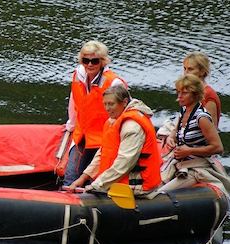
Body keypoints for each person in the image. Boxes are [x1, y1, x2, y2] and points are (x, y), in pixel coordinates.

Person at [67, 85, 161, 194]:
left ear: (125, 102)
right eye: (105, 104)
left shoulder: (132, 126)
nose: (107, 108)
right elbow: (103, 152)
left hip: (137, 187)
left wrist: (98, 185)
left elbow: (124, 162)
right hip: (115, 183)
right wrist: (84, 177)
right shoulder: (114, 120)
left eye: (111, 104)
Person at [62, 40, 126, 186]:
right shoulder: (78, 76)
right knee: (70, 175)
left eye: (94, 61)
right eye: (86, 60)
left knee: (96, 178)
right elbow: (74, 101)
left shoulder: (114, 83)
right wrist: (71, 125)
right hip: (82, 135)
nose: (90, 64)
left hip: (104, 137)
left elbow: (126, 110)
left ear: (102, 62)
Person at [158, 74, 230, 198]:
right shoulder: (184, 111)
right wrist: (172, 138)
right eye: (178, 92)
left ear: (195, 94)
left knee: (160, 194)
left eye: (184, 93)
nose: (179, 97)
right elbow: (177, 133)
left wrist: (189, 151)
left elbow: (218, 148)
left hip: (195, 168)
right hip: (179, 163)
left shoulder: (201, 118)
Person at [183, 51, 221, 127]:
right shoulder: (188, 91)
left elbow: (212, 129)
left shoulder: (208, 96)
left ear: (202, 72)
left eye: (190, 69)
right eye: (184, 68)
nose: (185, 73)